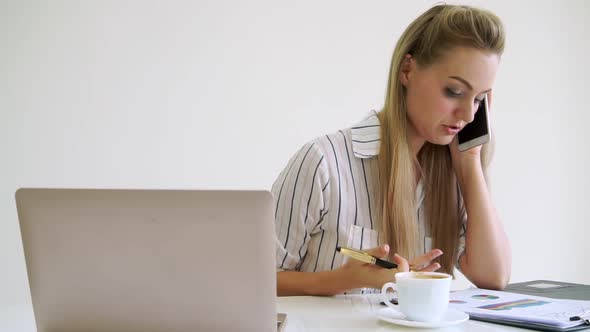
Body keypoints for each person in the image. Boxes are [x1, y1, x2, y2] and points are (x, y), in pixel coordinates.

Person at [272, 4, 511, 296]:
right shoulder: (324, 163)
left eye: (479, 99)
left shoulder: (454, 175)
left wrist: (471, 162)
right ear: (407, 70)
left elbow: (493, 277)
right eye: (454, 92)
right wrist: (346, 279)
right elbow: (253, 280)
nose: (468, 115)